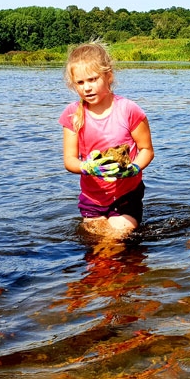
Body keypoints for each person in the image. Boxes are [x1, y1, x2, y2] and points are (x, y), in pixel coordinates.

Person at [60, 42, 154, 238]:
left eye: (93, 79)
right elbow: (69, 160)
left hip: (126, 195)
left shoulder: (129, 110)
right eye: (80, 83)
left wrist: (134, 168)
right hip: (92, 198)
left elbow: (146, 149)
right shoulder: (72, 114)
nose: (87, 88)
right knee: (96, 246)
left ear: (108, 75)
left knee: (113, 240)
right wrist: (88, 167)